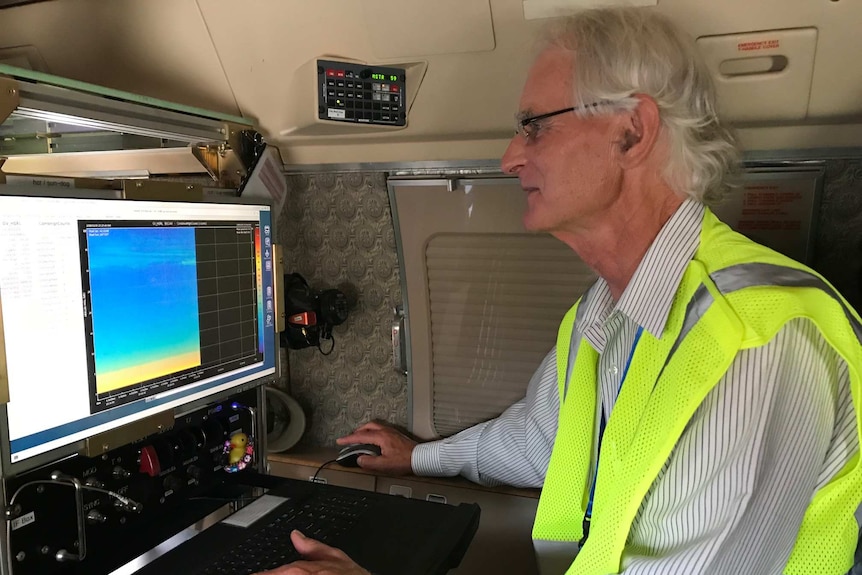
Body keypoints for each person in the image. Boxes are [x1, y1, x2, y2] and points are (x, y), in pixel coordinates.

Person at [257, 6, 862, 575]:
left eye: (533, 127)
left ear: (632, 130)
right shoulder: (604, 312)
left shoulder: (760, 344)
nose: (509, 158)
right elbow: (538, 442)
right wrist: (420, 459)